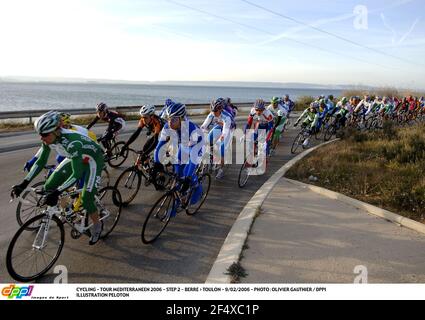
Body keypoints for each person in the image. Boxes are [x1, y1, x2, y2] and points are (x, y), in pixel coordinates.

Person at [11, 111, 105, 245]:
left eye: (44, 135)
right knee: (49, 186)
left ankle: (97, 226)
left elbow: (76, 175)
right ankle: (67, 210)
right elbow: (40, 162)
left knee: (86, 198)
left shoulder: (72, 142)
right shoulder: (49, 138)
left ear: (56, 131)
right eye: (40, 135)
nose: (41, 138)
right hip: (75, 158)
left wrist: (58, 192)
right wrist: (23, 183)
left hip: (93, 161)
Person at [153, 101, 205, 202]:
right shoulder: (167, 126)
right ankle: (179, 197)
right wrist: (157, 163)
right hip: (184, 145)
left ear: (181, 119)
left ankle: (197, 188)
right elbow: (159, 146)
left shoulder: (190, 129)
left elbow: (193, 156)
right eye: (168, 119)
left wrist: (188, 178)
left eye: (173, 120)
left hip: (197, 146)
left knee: (186, 173)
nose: (170, 123)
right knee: (177, 172)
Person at [201, 98, 235, 179]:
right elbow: (204, 125)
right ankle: (211, 156)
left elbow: (225, 132)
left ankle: (221, 169)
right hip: (219, 126)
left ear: (220, 110)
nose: (213, 113)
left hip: (228, 129)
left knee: (221, 148)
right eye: (212, 111)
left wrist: (221, 138)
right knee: (209, 138)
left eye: (215, 111)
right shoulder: (212, 113)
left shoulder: (227, 117)